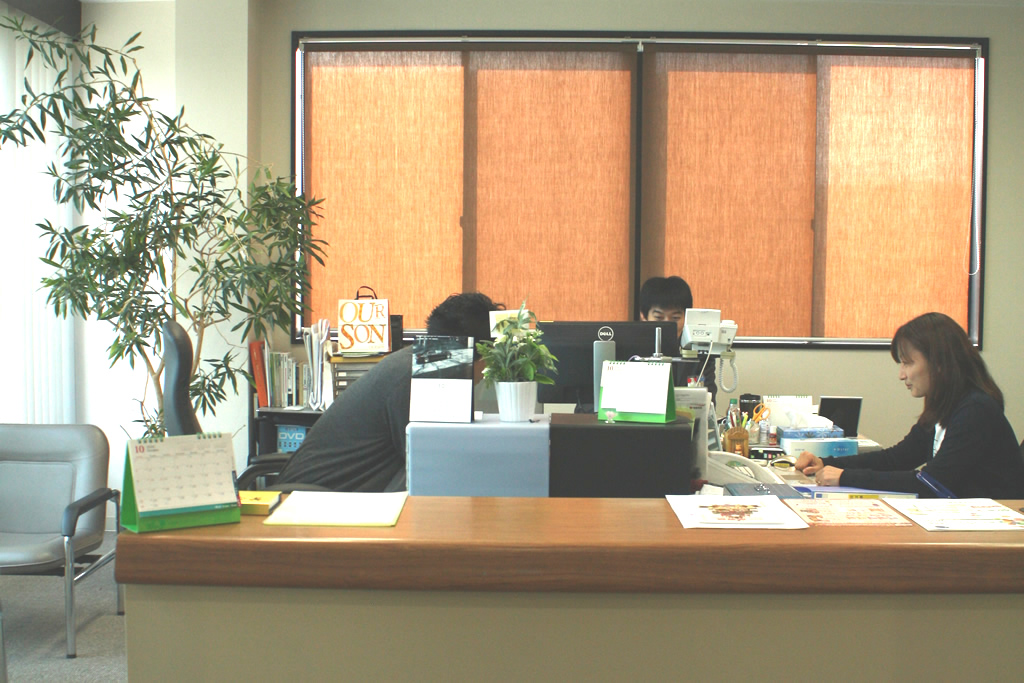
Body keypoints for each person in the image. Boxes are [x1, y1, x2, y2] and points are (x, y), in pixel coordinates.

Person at [276, 292, 501, 492]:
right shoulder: (422, 377)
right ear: (480, 352)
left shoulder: (423, 362)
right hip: (314, 502)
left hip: (339, 493)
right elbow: (432, 462)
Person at [796, 312, 1024, 498]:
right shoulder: (945, 406)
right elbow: (897, 459)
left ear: (939, 363)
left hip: (997, 526)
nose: (902, 375)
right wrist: (825, 463)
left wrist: (845, 477)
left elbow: (932, 483)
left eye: (908, 363)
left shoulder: (975, 410)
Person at [639, 275, 717, 404]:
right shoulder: (633, 353)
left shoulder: (700, 354)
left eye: (675, 318)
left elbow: (709, 402)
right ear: (643, 316)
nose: (668, 324)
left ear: (686, 318)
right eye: (659, 318)